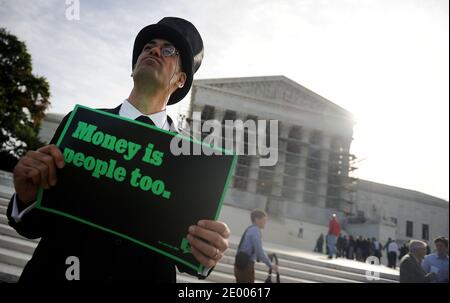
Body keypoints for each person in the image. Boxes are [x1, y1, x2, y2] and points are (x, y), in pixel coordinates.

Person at [6, 17, 231, 283]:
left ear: (181, 79)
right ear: (134, 68)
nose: (154, 51)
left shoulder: (191, 161)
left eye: (169, 50)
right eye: (148, 47)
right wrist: (26, 198)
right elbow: (33, 224)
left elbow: (190, 259)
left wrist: (207, 252)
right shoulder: (79, 125)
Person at [234, 209, 278, 283]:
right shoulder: (256, 231)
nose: (265, 222)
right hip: (247, 266)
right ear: (257, 220)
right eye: (264, 220)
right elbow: (259, 251)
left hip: (239, 264)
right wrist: (271, 265)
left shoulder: (249, 229)